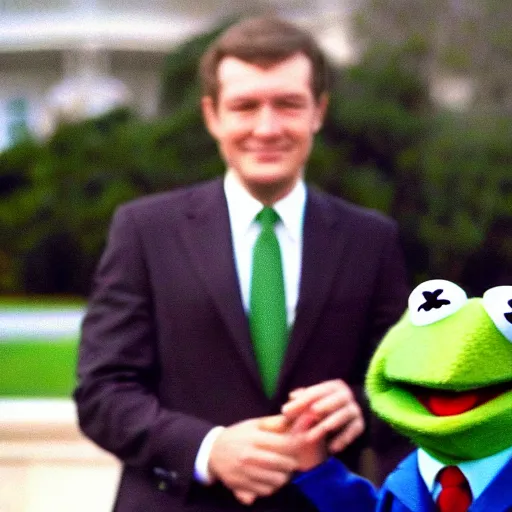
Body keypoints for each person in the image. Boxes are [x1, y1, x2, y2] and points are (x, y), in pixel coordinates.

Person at [74, 15, 410, 512]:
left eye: (288, 104)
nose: (266, 127)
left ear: (318, 111)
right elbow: (102, 393)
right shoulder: (144, 231)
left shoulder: (372, 239)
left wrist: (360, 406)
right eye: (245, 106)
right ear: (212, 115)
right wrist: (209, 449)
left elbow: (407, 391)